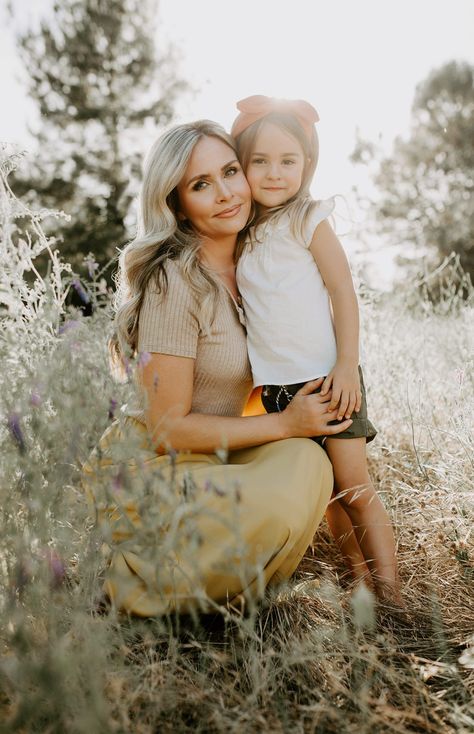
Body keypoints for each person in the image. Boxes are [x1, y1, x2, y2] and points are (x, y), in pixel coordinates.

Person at [81, 120, 354, 618]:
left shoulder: (259, 262)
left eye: (230, 171)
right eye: (201, 185)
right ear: (176, 203)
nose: (227, 193)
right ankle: (136, 578)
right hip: (161, 465)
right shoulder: (174, 281)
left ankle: (231, 584)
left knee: (309, 462)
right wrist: (287, 423)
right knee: (276, 489)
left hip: (224, 454)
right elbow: (167, 428)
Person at [231, 96, 402, 604]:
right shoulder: (241, 231)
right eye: (259, 161)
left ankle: (392, 592)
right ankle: (359, 581)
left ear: (308, 163)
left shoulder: (308, 218)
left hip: (328, 378)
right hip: (275, 391)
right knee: (326, 492)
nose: (274, 172)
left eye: (288, 160)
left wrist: (346, 364)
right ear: (241, 165)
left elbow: (342, 290)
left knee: (353, 485)